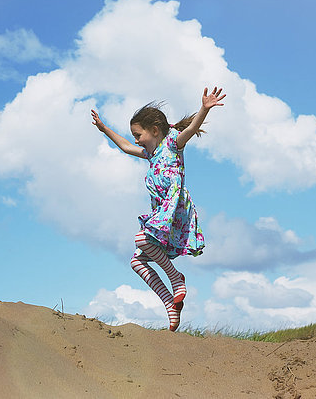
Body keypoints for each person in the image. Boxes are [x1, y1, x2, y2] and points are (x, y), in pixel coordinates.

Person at [91, 87, 225, 331]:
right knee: (137, 262)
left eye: (138, 134)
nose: (135, 139)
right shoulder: (150, 154)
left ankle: (176, 278)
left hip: (175, 209)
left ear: (154, 130)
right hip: (160, 212)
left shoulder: (173, 143)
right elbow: (123, 146)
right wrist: (104, 128)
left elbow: (192, 129)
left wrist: (204, 109)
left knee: (141, 239)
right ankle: (169, 304)